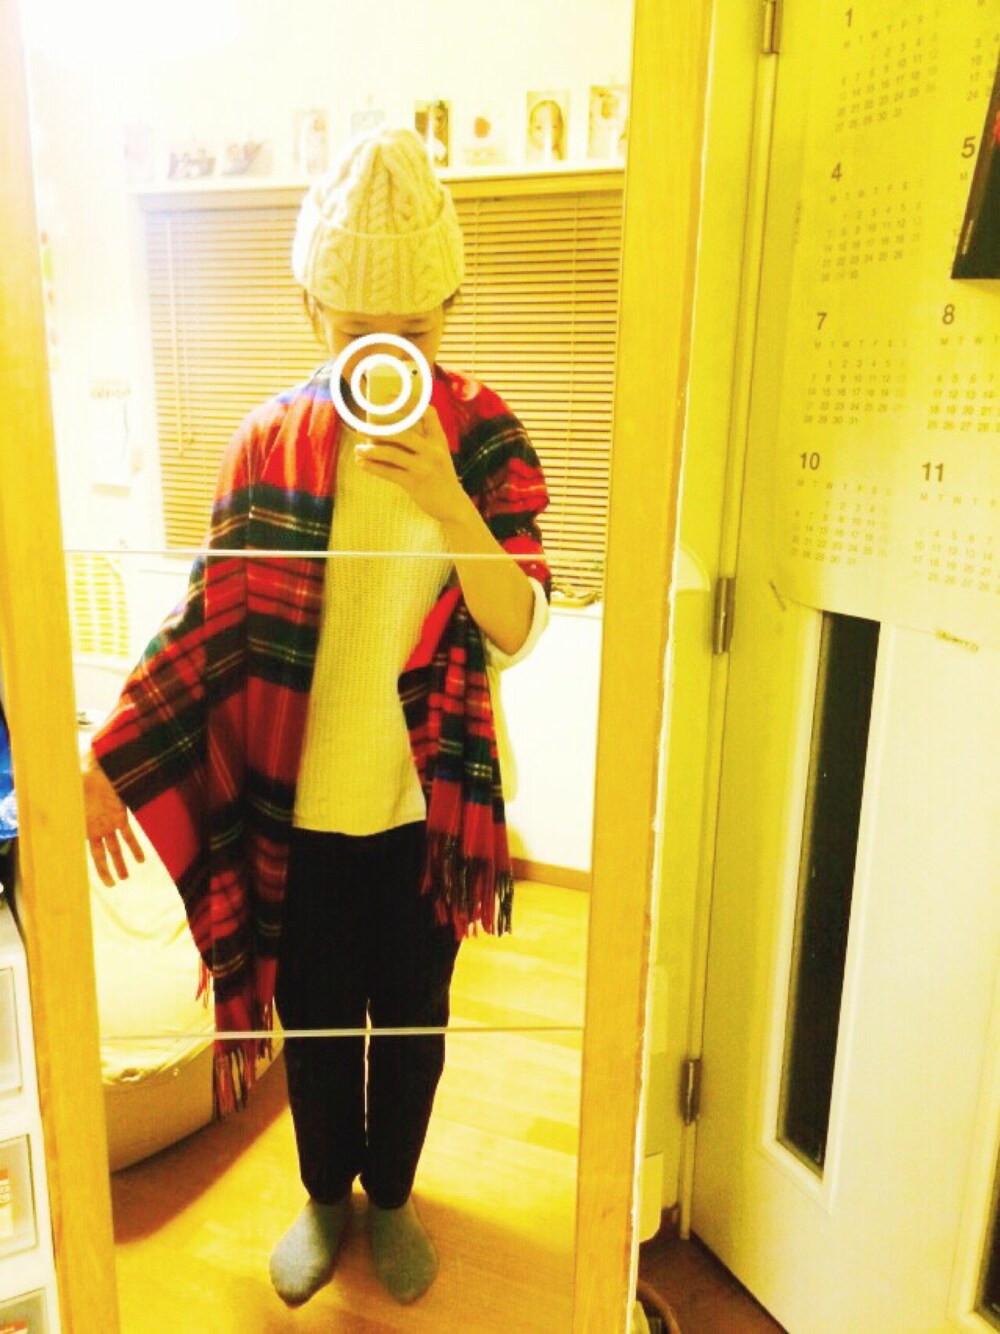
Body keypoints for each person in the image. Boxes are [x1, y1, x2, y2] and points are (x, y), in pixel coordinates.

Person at [81, 126, 551, 1308]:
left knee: (414, 1020)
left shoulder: (483, 432)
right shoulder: (266, 443)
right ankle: (323, 1193)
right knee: (318, 1019)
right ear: (308, 311)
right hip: (292, 808)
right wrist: (105, 758)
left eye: (416, 334)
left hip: (425, 810)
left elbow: (516, 624)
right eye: (355, 335)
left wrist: (447, 497)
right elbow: (207, 621)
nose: (386, 357)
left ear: (450, 308)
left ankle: (389, 1195)